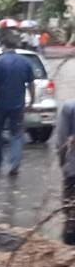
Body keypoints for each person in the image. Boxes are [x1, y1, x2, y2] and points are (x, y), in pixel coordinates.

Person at [0, 35, 35, 175]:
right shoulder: (25, 62)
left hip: (0, 105)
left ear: (3, 46)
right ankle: (14, 163)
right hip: (18, 105)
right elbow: (31, 84)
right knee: (16, 134)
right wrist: (32, 101)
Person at [55, 100, 75, 244]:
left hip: (73, 170)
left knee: (71, 214)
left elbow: (61, 141)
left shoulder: (70, 108)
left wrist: (64, 164)